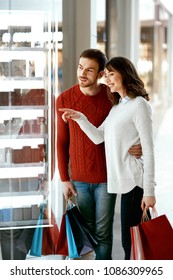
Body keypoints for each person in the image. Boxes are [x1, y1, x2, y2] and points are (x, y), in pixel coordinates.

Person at [56, 50, 142, 260]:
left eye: (89, 70)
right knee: (86, 232)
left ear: (101, 73)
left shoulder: (111, 96)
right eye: (80, 67)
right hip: (79, 179)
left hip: (107, 177)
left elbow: (133, 118)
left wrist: (138, 141)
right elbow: (61, 142)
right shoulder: (64, 98)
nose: (82, 74)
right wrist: (64, 178)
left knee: (103, 234)